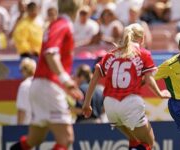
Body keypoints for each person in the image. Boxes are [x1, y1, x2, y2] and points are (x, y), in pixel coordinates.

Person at [82, 23, 171, 150]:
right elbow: (149, 79)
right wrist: (160, 94)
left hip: (110, 105)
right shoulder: (143, 54)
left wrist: (87, 103)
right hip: (130, 103)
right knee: (148, 142)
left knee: (134, 141)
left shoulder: (110, 55)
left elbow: (96, 74)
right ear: (142, 39)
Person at [10, 0, 83, 150]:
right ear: (77, 7)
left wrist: (65, 86)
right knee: (66, 138)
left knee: (34, 139)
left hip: (41, 84)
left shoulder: (56, 24)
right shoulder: (63, 25)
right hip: (47, 85)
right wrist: (66, 80)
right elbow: (51, 54)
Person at [16, 58, 36, 125]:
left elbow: (21, 110)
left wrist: (18, 128)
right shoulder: (41, 83)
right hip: (42, 126)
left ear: (23, 71)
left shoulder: (24, 85)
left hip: (28, 126)